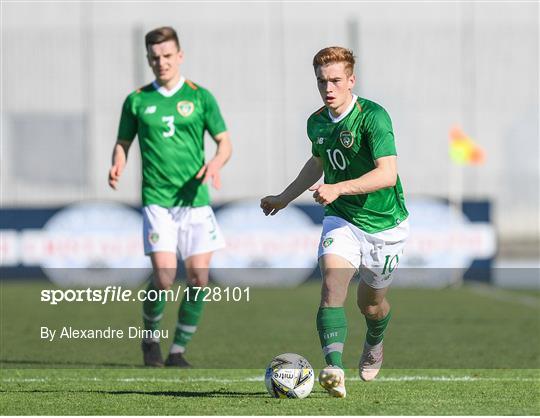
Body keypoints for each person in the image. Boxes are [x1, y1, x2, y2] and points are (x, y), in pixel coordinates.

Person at [260, 47, 408, 397]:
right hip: (342, 219)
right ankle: (334, 368)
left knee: (370, 305)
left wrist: (338, 187)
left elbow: (387, 174)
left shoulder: (373, 116)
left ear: (351, 80)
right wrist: (284, 197)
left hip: (385, 225)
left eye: (336, 81)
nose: (329, 88)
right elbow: (318, 162)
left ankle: (375, 339)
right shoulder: (317, 121)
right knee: (331, 286)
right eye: (322, 81)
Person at [108, 26, 232, 367]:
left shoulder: (200, 97)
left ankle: (177, 350)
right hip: (158, 201)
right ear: (148, 60)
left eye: (167, 56)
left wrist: (216, 164)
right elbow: (123, 142)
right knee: (164, 276)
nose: (161, 62)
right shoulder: (136, 100)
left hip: (195, 201)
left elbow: (225, 142)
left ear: (179, 56)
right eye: (154, 57)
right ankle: (150, 338)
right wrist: (117, 163)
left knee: (198, 278)